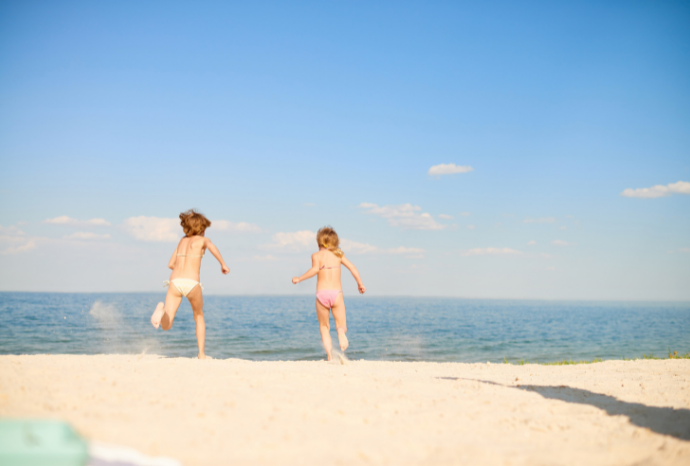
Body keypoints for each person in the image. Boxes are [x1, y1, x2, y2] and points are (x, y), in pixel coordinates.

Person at [150, 209, 230, 359]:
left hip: (174, 282)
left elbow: (170, 264)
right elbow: (212, 248)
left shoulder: (181, 241)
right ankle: (201, 354)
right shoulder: (203, 241)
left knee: (167, 325)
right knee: (199, 316)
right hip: (192, 283)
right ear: (201, 229)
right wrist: (223, 264)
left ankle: (162, 309)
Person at [292, 226, 366, 361]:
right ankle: (341, 333)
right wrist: (360, 284)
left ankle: (330, 356)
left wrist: (299, 278)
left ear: (319, 243)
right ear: (336, 243)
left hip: (322, 294)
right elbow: (352, 268)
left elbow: (314, 270)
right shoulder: (339, 254)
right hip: (336, 294)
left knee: (324, 327)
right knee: (341, 324)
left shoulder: (316, 255)